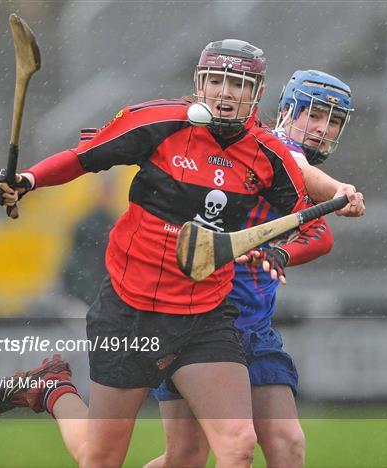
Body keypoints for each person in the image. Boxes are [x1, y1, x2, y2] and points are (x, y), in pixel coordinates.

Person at [0, 40, 365, 468]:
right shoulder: (161, 122)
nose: (225, 93)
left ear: (257, 95)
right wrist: (28, 180)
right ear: (199, 84)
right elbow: (84, 158)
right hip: (133, 310)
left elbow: (311, 215)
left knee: (240, 445)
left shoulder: (266, 153)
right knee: (106, 457)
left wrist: (294, 237)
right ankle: (54, 389)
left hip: (206, 315)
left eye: (238, 85)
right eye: (216, 81)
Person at [144, 70, 358, 468]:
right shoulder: (271, 148)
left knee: (286, 443)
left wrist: (282, 254)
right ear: (288, 110)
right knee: (188, 456)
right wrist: (337, 190)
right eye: (314, 115)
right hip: (198, 321)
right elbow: (298, 164)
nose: (322, 129)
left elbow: (321, 237)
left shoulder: (291, 174)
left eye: (333, 121)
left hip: (253, 326)